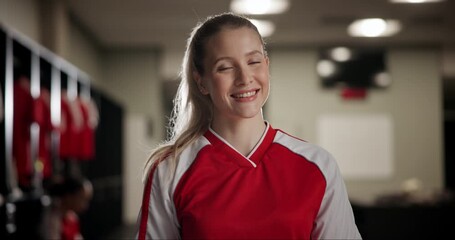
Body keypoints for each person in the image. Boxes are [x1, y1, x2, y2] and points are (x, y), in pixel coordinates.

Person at [136, 12, 361, 240]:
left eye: (253, 62)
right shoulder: (170, 170)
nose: (245, 78)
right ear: (201, 81)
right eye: (225, 67)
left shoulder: (319, 166)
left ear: (266, 65)